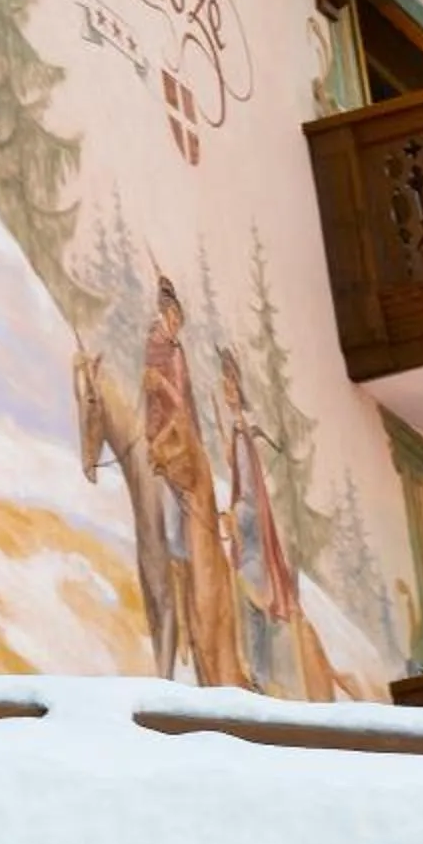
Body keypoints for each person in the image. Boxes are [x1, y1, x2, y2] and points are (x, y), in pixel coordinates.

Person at [140, 279, 247, 690]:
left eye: (178, 318)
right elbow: (158, 394)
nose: (175, 324)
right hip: (163, 439)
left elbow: (183, 402)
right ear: (163, 315)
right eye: (172, 317)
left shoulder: (176, 351)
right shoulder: (156, 348)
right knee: (171, 531)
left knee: (189, 531)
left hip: (181, 443)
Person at [218, 348, 302, 691]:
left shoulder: (245, 432)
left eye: (232, 388)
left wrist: (235, 518)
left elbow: (250, 491)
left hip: (250, 529)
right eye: (225, 388)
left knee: (253, 605)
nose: (228, 393)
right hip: (246, 528)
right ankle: (257, 673)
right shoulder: (238, 433)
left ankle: (259, 675)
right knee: (250, 606)